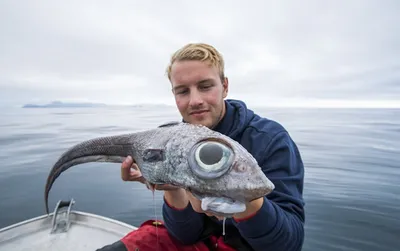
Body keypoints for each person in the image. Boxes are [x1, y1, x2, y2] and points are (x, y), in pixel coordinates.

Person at [97, 43, 305, 251]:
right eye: (183, 91)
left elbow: (288, 244)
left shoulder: (271, 139)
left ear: (225, 86)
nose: (195, 101)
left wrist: (246, 201)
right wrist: (173, 188)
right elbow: (185, 235)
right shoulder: (172, 143)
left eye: (205, 86)